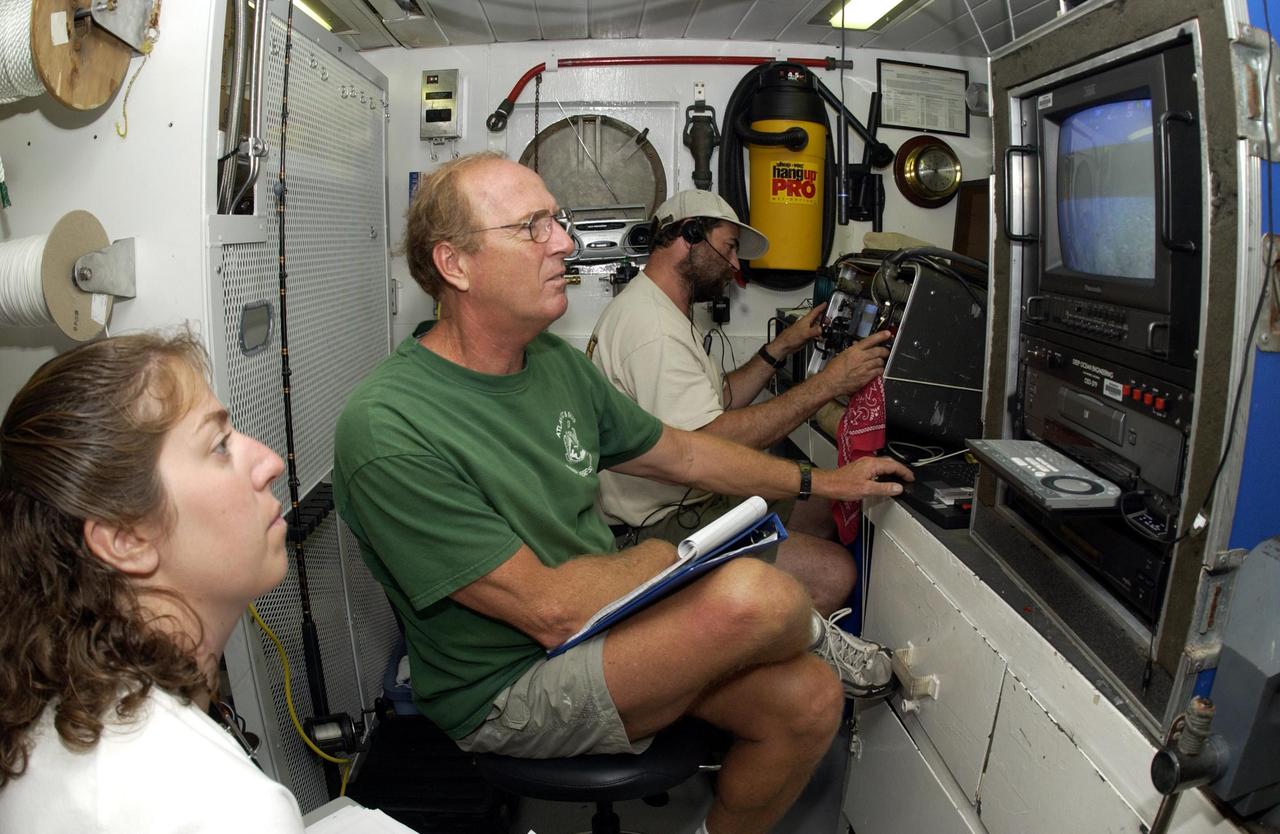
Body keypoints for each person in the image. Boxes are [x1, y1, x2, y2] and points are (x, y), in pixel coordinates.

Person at [333, 152, 912, 834]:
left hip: (602, 616)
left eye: (559, 220)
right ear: (455, 265)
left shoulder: (549, 362)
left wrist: (821, 480)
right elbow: (549, 611)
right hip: (510, 684)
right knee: (762, 598)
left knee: (811, 699)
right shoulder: (388, 425)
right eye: (532, 227)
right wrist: (666, 561)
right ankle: (804, 631)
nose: (565, 243)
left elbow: (688, 451)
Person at [0, 332, 304, 833]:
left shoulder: (51, 701)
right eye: (220, 445)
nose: (270, 463)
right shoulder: (232, 811)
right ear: (126, 539)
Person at [588, 189, 894, 615]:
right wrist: (829, 383)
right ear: (690, 235)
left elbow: (718, 402)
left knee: (826, 509)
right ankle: (763, 672)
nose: (735, 265)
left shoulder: (661, 310)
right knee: (834, 572)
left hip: (690, 498)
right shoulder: (652, 329)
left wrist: (782, 347)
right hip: (659, 526)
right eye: (729, 247)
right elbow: (713, 441)